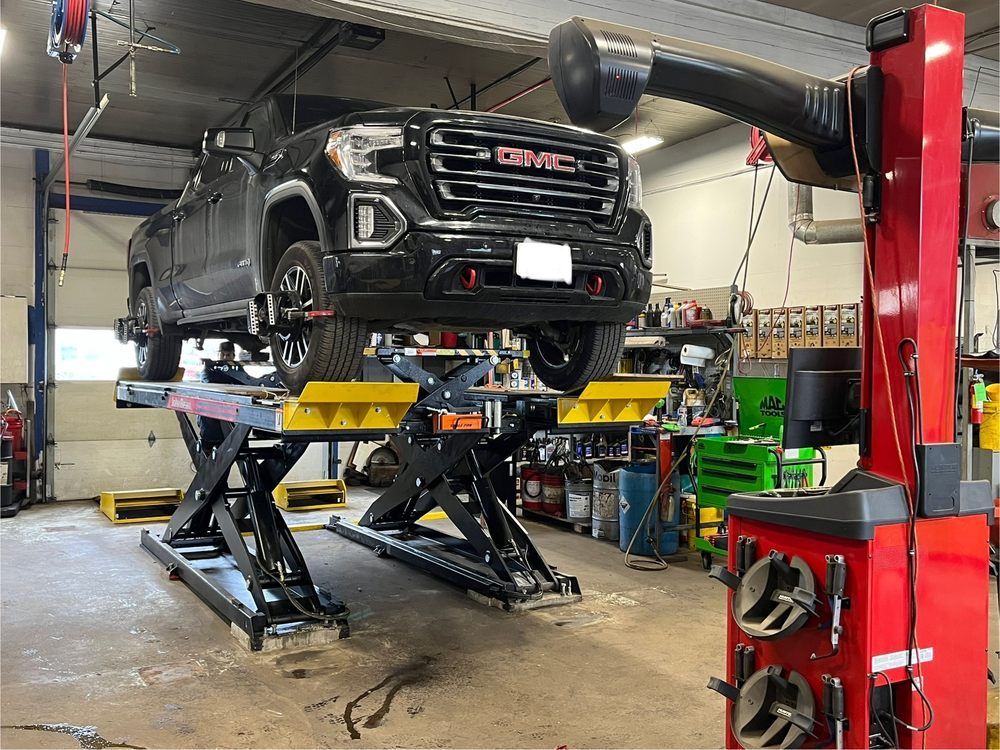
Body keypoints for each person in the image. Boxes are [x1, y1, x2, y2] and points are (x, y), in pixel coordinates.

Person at [198, 341, 240, 451]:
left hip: (228, 421)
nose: (225, 358)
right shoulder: (210, 369)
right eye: (223, 354)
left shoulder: (237, 369)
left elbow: (243, 383)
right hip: (209, 420)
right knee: (210, 451)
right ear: (218, 354)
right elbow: (210, 385)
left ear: (233, 356)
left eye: (228, 355)